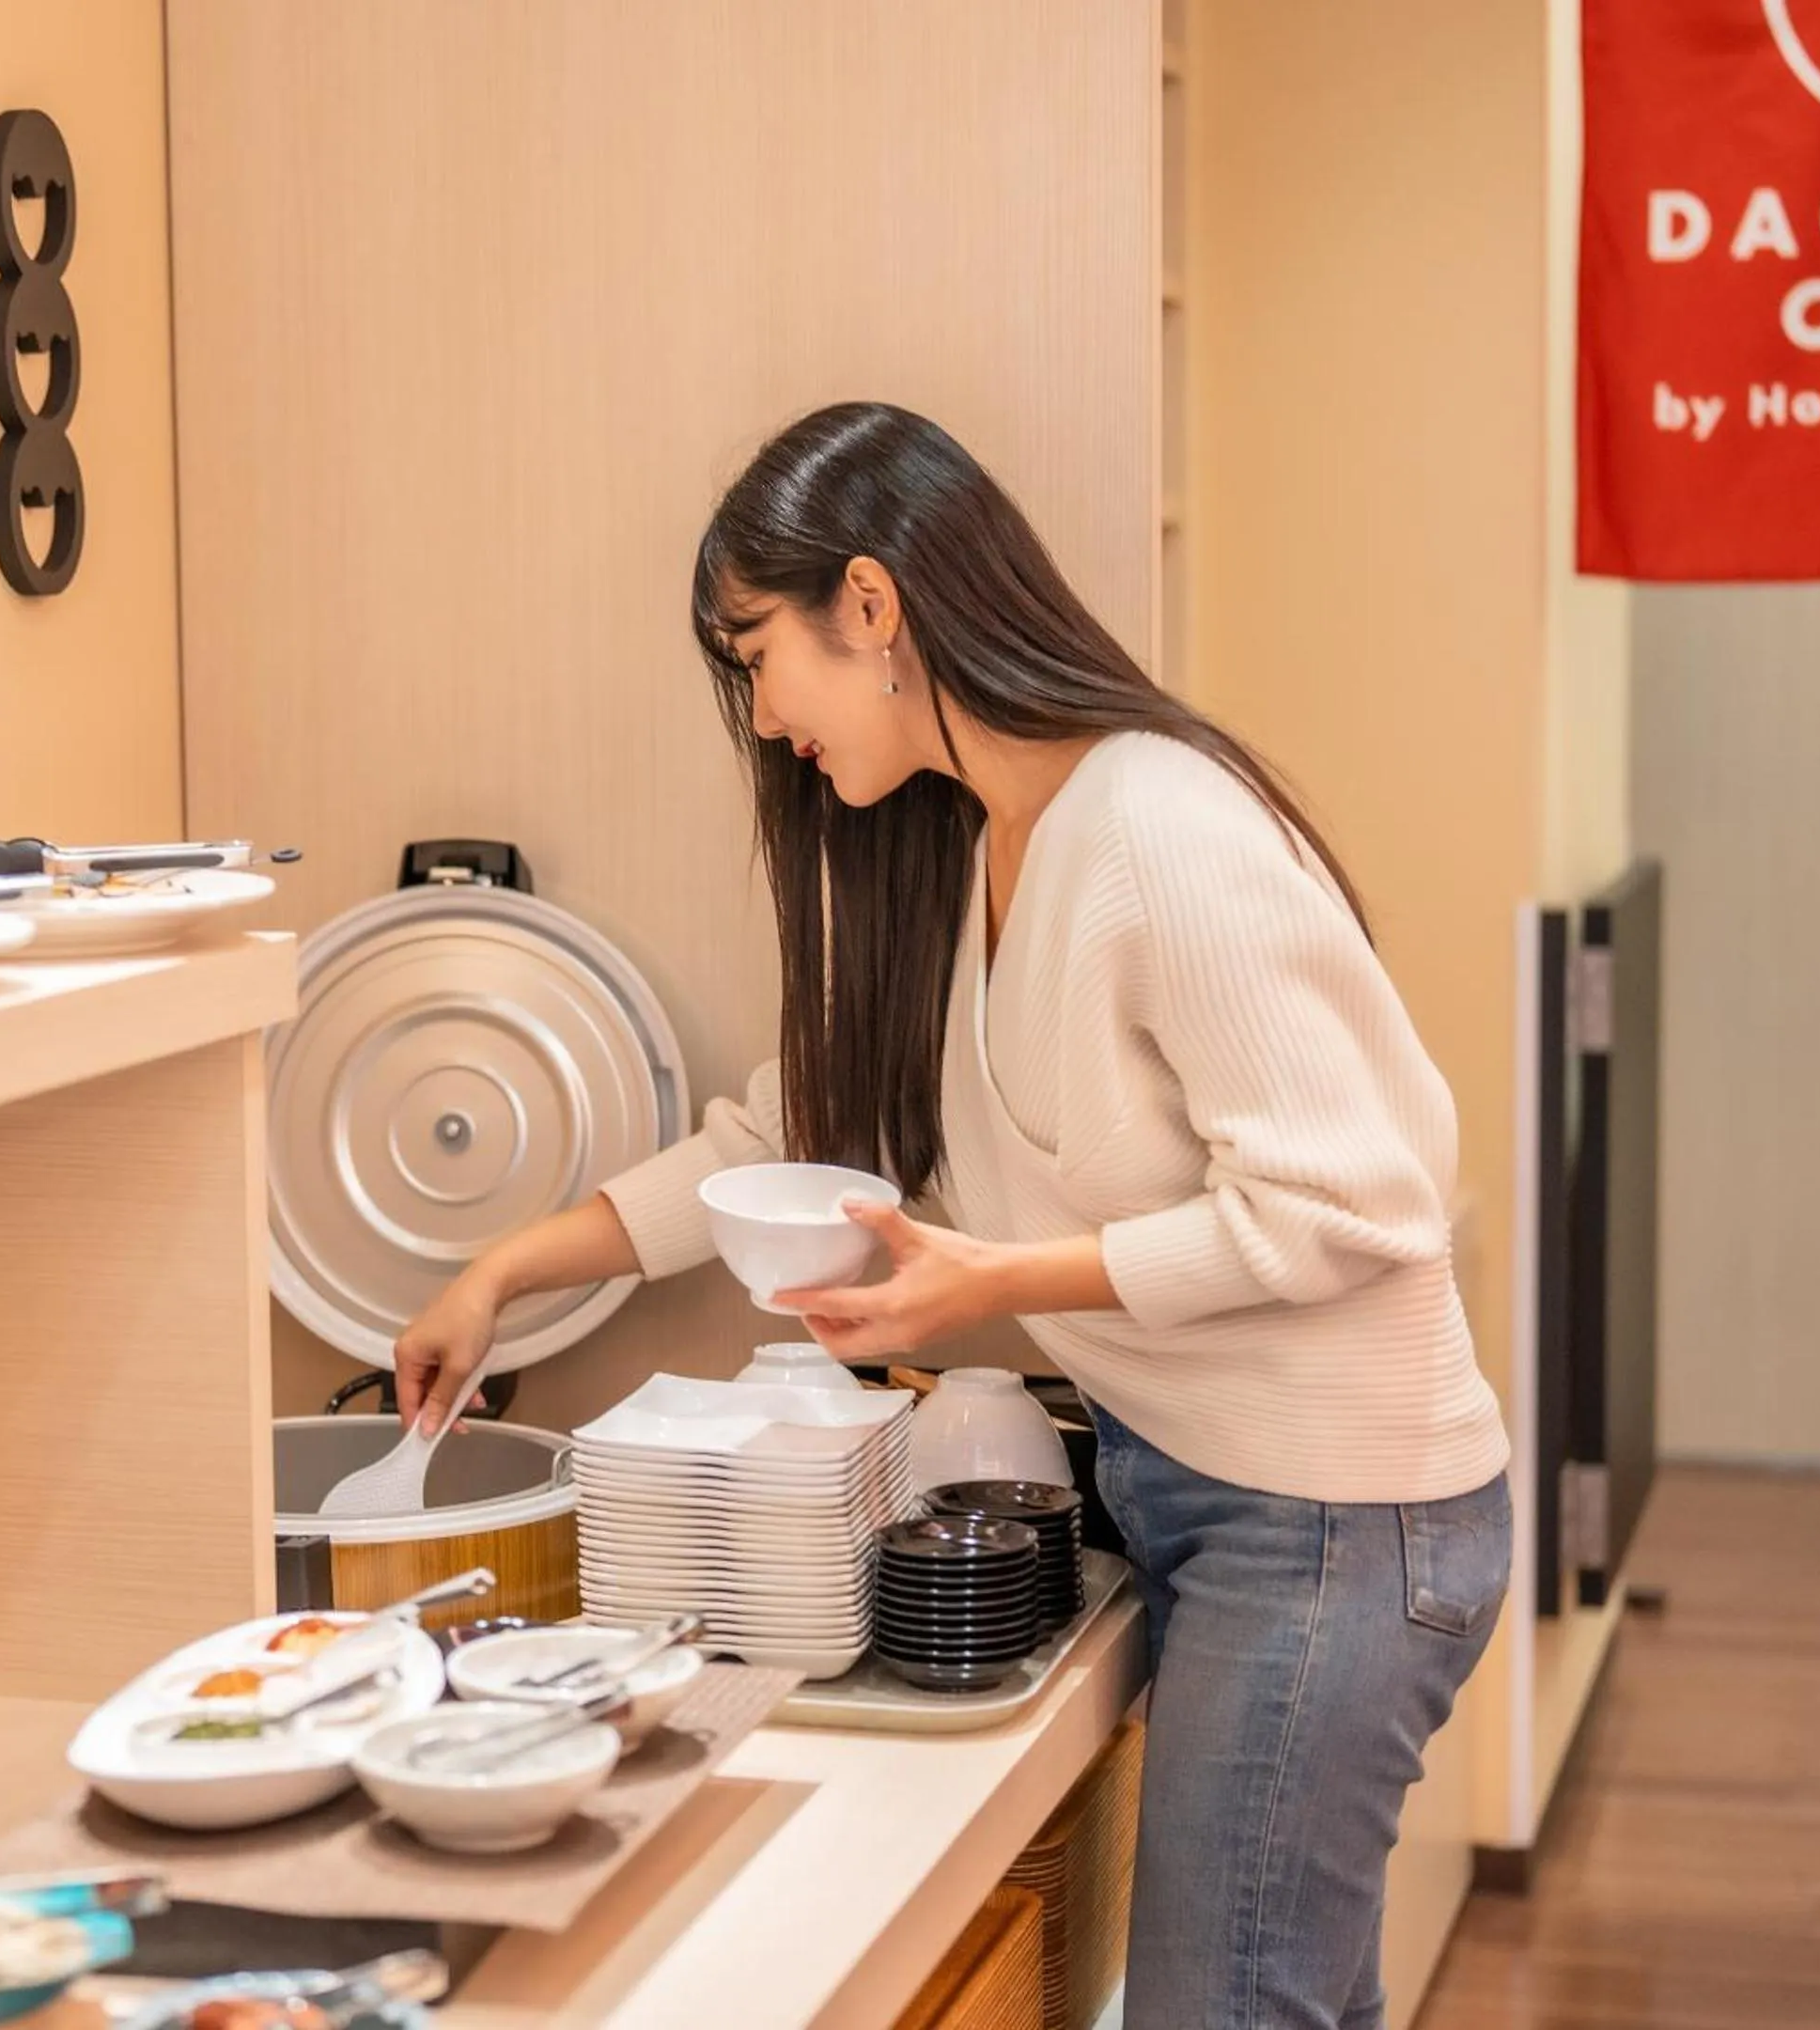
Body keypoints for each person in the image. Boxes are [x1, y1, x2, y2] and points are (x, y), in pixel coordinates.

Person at [393, 401, 1511, 2030]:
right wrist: (505, 1269)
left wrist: (993, 1282)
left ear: (871, 602)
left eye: (755, 651)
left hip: (1339, 1520)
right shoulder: (978, 848)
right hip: (1208, 1493)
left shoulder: (1157, 827)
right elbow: (782, 1131)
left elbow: (1357, 1202)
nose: (761, 713)